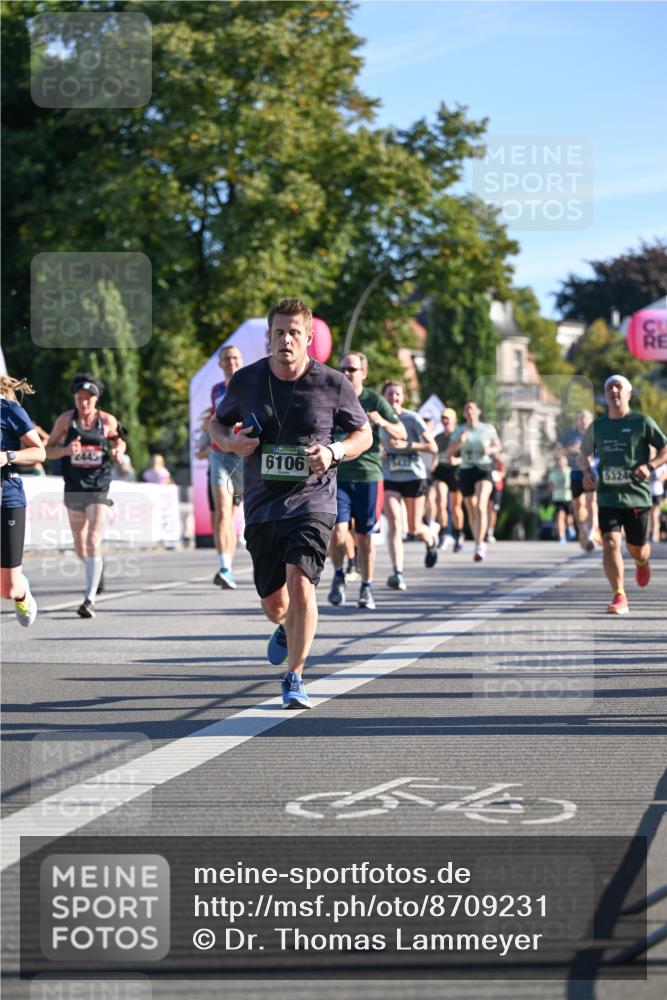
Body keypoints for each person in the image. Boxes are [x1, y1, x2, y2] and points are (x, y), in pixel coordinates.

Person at [210, 298, 371, 709]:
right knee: (275, 602)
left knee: (301, 582)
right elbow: (218, 421)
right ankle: (285, 626)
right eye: (278, 332)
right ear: (269, 336)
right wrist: (230, 441)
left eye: (294, 332)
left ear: (308, 338)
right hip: (263, 505)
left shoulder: (333, 383)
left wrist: (334, 452)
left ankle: (295, 676)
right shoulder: (246, 381)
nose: (285, 339)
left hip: (313, 500)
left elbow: (363, 436)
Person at [580, 374, 667, 615]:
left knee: (636, 547)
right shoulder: (597, 426)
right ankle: (619, 594)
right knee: (609, 542)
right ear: (606, 395)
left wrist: (649, 467)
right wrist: (587, 471)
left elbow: (664, 449)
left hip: (637, 496)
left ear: (628, 394)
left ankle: (641, 561)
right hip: (608, 495)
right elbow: (583, 454)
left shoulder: (642, 422)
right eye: (610, 387)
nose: (614, 390)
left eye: (619, 387)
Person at [326, 351, 406, 610]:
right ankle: (338, 576)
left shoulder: (374, 399)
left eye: (352, 369)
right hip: (338, 475)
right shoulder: (331, 397)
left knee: (364, 538)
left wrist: (381, 420)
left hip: (369, 477)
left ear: (364, 373)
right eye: (343, 368)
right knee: (338, 533)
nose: (347, 373)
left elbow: (401, 432)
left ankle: (366, 587)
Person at [45, 373, 126, 618]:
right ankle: (96, 568)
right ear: (75, 398)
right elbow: (47, 451)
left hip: (99, 484)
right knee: (80, 545)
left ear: (96, 399)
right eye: (80, 398)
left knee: (93, 540)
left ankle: (89, 600)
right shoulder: (66, 421)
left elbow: (119, 440)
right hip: (74, 484)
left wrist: (118, 451)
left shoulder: (106, 420)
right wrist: (67, 450)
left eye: (89, 398)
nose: (85, 403)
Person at [381, 381, 438, 591]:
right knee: (396, 525)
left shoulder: (411, 419)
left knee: (413, 528)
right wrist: (379, 452)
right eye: (389, 394)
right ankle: (397, 572)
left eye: (397, 394)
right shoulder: (378, 419)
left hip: (414, 476)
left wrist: (407, 446)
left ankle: (431, 540)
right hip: (390, 477)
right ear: (384, 397)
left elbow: (433, 446)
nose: (393, 398)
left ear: (402, 398)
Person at [1, 375, 46, 626]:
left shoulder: (8, 410)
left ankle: (22, 592)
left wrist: (7, 456)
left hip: (7, 495)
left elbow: (39, 451)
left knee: (7, 589)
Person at [446, 400, 501, 562]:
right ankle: (478, 540)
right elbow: (449, 454)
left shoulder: (487, 429)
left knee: (481, 505)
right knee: (471, 509)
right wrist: (459, 443)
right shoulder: (460, 431)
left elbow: (498, 446)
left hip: (484, 469)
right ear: (464, 414)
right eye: (466, 409)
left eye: (472, 409)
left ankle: (479, 544)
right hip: (466, 471)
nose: (469, 412)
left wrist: (490, 449)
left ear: (478, 411)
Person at [208, 344, 244, 589]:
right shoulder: (216, 390)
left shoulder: (251, 386)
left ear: (240, 362)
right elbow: (216, 420)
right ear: (220, 364)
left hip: (244, 455)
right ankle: (225, 567)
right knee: (221, 513)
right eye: (226, 359)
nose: (231, 363)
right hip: (220, 454)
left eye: (235, 358)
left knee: (232, 516)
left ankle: (232, 563)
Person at [561, 409, 598, 551]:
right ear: (576, 421)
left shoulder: (595, 434)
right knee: (577, 505)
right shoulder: (570, 435)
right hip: (576, 473)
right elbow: (559, 450)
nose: (582, 421)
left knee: (591, 501)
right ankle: (583, 530)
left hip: (591, 472)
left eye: (585, 418)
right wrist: (568, 451)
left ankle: (592, 532)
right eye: (580, 418)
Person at [430, 408, 465, 552]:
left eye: (448, 418)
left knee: (455, 507)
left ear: (454, 420)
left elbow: (467, 456)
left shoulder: (460, 436)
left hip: (456, 472)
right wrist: (431, 469)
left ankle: (458, 533)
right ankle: (443, 532)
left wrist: (457, 460)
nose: (445, 421)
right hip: (441, 471)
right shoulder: (438, 438)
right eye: (443, 418)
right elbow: (436, 456)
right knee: (440, 502)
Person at [546, 444, 573, 543]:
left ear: (566, 462)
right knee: (560, 516)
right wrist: (554, 486)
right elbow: (550, 486)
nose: (561, 463)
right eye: (560, 461)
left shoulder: (569, 471)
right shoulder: (554, 472)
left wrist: (570, 486)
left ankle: (570, 527)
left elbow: (574, 484)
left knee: (568, 518)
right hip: (558, 497)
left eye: (563, 461)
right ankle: (562, 536)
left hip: (568, 497)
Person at [487, 451, 506, 543]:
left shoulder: (500, 462)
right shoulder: (487, 460)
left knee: (493, 510)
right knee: (486, 508)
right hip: (488, 486)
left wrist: (496, 474)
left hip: (497, 488)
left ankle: (490, 532)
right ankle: (484, 531)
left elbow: (503, 473)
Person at [649, 462, 667, 542]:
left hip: (658, 493)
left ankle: (655, 534)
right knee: (650, 515)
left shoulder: (663, 466)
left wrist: (658, 477)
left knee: (654, 515)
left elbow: (664, 477)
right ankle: (652, 532)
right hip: (648, 493)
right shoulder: (648, 464)